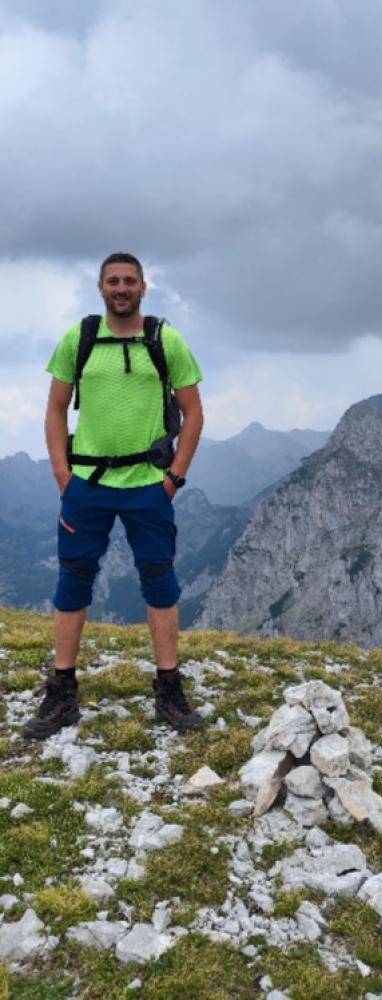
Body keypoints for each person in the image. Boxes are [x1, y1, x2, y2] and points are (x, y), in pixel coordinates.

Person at [23, 252, 205, 739]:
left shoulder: (165, 340)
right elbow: (55, 408)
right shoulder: (79, 338)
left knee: (160, 582)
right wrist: (63, 476)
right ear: (101, 288)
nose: (121, 288)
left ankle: (169, 690)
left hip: (148, 484)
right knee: (72, 581)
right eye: (113, 281)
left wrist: (174, 480)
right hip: (87, 483)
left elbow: (194, 413)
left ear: (143, 287)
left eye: (129, 281)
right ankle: (62, 692)